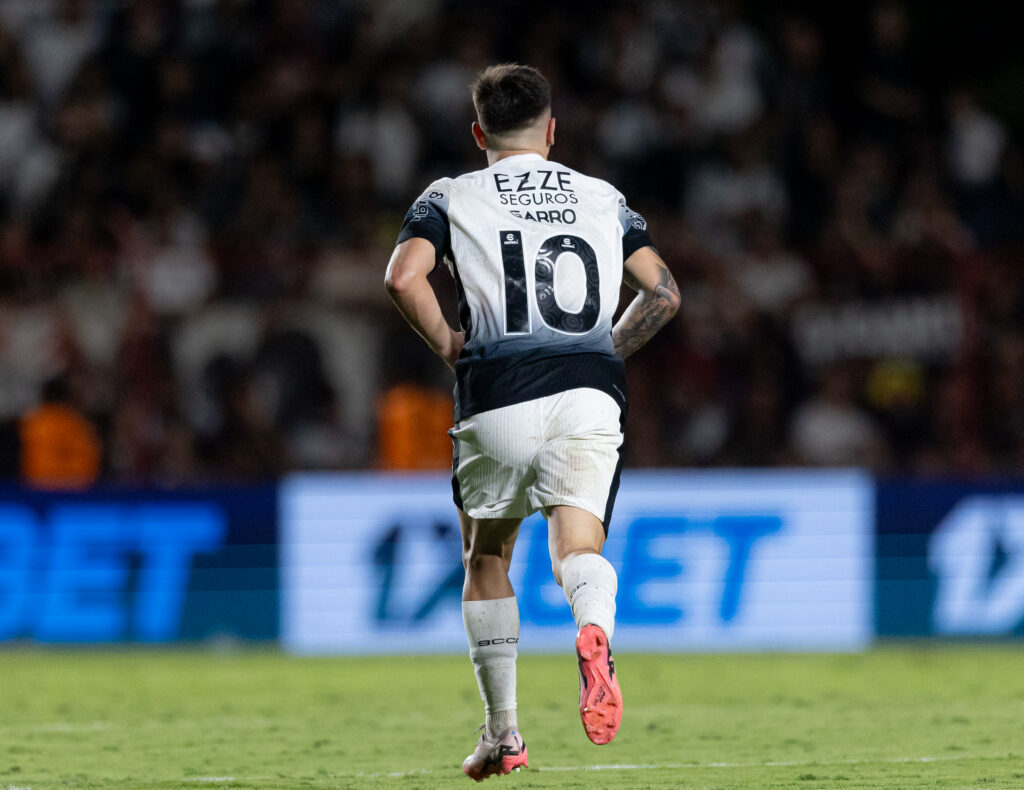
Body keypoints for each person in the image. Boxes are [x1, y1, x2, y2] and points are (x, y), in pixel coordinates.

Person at [385, 63, 679, 781]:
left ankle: (503, 735)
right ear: (552, 132)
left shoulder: (451, 195)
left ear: (478, 131)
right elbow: (665, 293)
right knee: (577, 548)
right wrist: (604, 348)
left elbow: (401, 276)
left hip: (497, 390)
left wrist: (449, 345)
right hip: (589, 393)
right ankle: (595, 630)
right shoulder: (602, 197)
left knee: (488, 560)